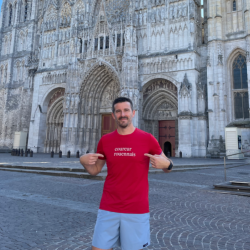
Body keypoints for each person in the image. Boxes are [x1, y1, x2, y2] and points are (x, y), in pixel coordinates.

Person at [80, 97, 173, 250]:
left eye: (126, 110)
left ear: (133, 113)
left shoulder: (147, 139)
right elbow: (95, 170)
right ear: (113, 115)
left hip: (136, 208)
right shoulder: (105, 140)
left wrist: (167, 164)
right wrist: (83, 161)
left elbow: (167, 166)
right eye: (118, 111)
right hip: (108, 206)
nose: (122, 114)